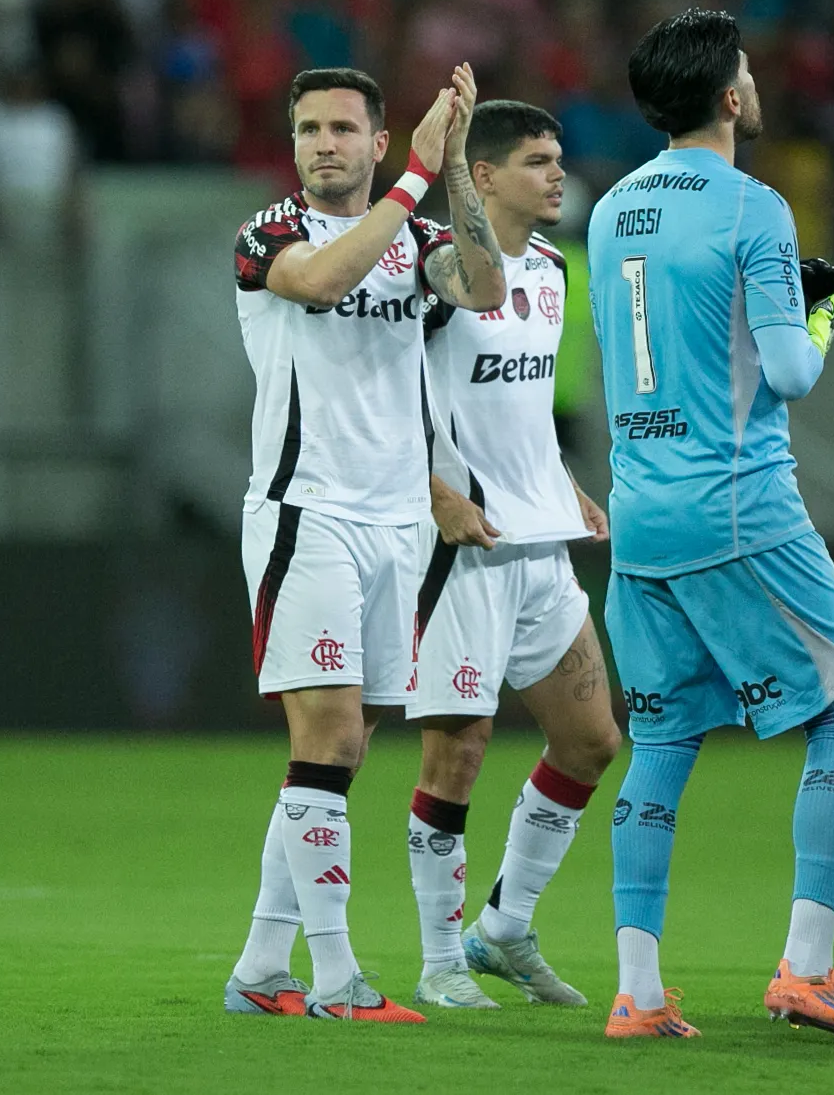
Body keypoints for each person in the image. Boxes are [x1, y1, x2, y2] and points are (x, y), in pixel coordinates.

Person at [587, 8, 834, 1044]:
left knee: (665, 735)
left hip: (637, 513)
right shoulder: (753, 209)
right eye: (750, 71)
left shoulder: (608, 208)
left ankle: (636, 991)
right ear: (729, 96)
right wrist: (814, 310)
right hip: (736, 505)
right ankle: (808, 969)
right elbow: (791, 373)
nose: (758, 81)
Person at [223, 64, 506, 1023]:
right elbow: (325, 279)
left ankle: (263, 968)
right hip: (307, 512)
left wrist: (457, 168)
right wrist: (417, 181)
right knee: (332, 736)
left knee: (341, 750)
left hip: (396, 521)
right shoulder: (273, 234)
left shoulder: (418, 231)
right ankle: (338, 979)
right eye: (308, 129)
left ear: (377, 140)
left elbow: (481, 285)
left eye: (343, 128)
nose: (323, 144)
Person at [405, 100, 621, 1010]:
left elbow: (521, 403)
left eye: (557, 156)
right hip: (463, 546)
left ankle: (500, 928)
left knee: (591, 738)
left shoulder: (558, 271)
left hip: (542, 542)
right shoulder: (429, 265)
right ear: (481, 176)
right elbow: (376, 394)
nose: (556, 173)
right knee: (458, 755)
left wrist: (562, 477)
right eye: (535, 160)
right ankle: (438, 963)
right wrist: (432, 490)